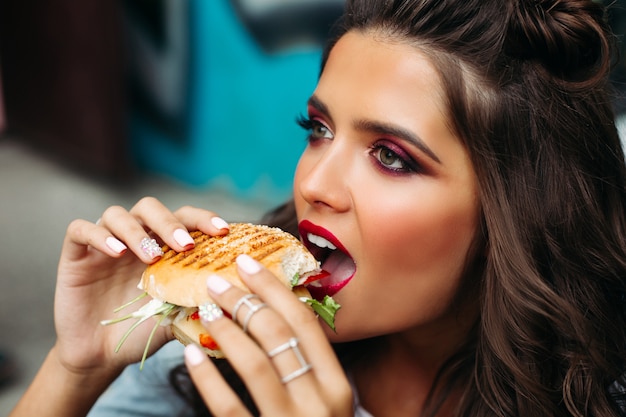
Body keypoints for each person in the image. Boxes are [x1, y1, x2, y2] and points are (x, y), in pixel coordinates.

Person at [9, 0, 626, 415]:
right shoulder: (220, 338)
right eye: (318, 129)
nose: (315, 185)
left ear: (516, 210)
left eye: (391, 157)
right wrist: (77, 366)